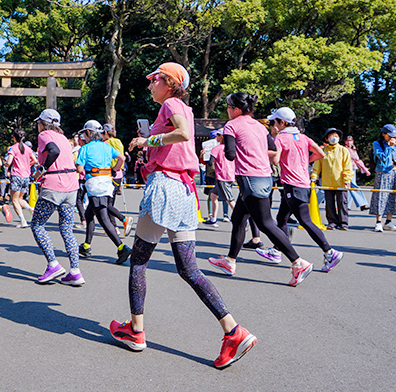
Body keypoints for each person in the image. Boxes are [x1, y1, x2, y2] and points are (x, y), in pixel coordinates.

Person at [111, 63, 256, 369]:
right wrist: (148, 144)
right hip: (185, 192)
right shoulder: (184, 107)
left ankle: (136, 331)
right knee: (189, 269)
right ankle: (233, 331)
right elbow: (181, 136)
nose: (150, 85)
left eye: (154, 80)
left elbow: (182, 134)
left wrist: (147, 141)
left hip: (165, 188)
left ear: (169, 82)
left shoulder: (172, 104)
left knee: (138, 260)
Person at [208, 92, 314, 286]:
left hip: (249, 178)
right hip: (265, 176)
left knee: (266, 223)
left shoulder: (231, 125)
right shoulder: (259, 125)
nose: (228, 110)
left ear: (236, 109)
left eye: (229, 107)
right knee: (238, 218)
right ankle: (230, 261)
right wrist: (255, 151)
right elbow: (273, 150)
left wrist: (234, 148)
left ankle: (298, 262)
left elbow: (230, 155)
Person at [257, 107, 343, 272]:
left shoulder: (281, 138)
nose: (273, 125)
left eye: (274, 121)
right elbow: (320, 153)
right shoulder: (303, 137)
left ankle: (329, 251)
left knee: (305, 220)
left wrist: (264, 151)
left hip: (292, 184)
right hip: (302, 183)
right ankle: (276, 250)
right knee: (281, 218)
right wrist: (305, 161)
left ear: (282, 122)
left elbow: (275, 160)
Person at [30, 108, 84, 285]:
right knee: (67, 228)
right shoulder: (64, 138)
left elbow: (53, 151)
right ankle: (75, 271)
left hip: (54, 184)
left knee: (37, 224)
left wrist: (41, 170)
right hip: (71, 186)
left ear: (43, 123)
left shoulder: (45, 135)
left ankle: (53, 264)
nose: (38, 126)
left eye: (39, 122)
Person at [76, 120, 130, 264]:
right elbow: (122, 158)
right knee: (89, 214)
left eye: (84, 134)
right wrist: (114, 169)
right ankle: (86, 246)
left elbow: (80, 169)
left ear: (88, 133)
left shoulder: (85, 148)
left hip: (94, 184)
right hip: (106, 183)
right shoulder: (106, 146)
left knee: (103, 218)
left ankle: (122, 248)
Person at [369, 124, 396, 232]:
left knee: (393, 197)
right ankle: (378, 222)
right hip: (383, 173)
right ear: (384, 134)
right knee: (381, 196)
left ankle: (388, 221)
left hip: (395, 172)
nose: (392, 138)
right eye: (389, 135)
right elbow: (382, 157)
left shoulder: (395, 146)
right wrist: (389, 146)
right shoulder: (377, 144)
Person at [311, 128, 353, 230]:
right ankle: (332, 222)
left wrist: (347, 180)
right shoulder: (323, 152)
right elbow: (317, 166)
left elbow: (347, 166)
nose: (334, 138)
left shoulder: (343, 150)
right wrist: (314, 177)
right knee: (329, 203)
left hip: (341, 183)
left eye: (336, 136)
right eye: (331, 136)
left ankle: (343, 223)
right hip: (327, 182)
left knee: (342, 203)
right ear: (326, 138)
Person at [5, 128, 36, 228]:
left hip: (17, 175)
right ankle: (30, 208)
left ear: (14, 138)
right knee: (19, 198)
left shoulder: (12, 148)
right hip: (26, 176)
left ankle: (23, 220)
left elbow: (9, 162)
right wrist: (27, 164)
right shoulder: (28, 148)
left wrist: (6, 165)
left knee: (14, 200)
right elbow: (35, 160)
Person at [205, 130, 235, 227]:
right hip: (230, 175)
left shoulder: (217, 148)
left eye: (218, 135)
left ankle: (245, 220)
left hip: (222, 176)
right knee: (213, 196)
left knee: (229, 200)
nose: (216, 137)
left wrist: (205, 155)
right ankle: (213, 219)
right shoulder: (232, 148)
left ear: (221, 137)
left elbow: (210, 162)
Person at [344, 136, 370, 210]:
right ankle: (362, 203)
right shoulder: (344, 149)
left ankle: (347, 205)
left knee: (350, 186)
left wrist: (365, 169)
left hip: (352, 168)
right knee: (352, 185)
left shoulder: (353, 150)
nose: (349, 142)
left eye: (350, 141)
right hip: (346, 169)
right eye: (347, 141)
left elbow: (358, 161)